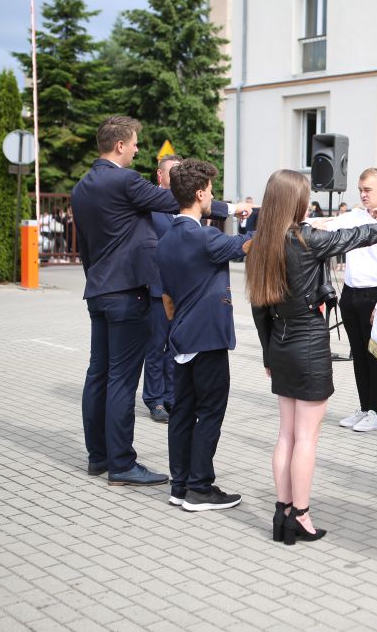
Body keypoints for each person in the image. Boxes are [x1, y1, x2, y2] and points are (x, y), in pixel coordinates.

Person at [71, 115, 249, 486]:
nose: (137, 150)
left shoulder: (81, 187)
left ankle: (98, 456)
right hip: (127, 293)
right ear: (120, 145)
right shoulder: (125, 180)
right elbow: (175, 200)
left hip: (99, 291)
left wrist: (97, 280)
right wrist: (231, 209)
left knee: (97, 374)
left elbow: (85, 247)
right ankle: (122, 463)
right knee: (122, 379)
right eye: (135, 143)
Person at [247, 169, 377, 545]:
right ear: (296, 202)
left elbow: (259, 311)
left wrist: (268, 354)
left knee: (286, 435)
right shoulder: (306, 239)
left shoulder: (261, 243)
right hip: (308, 342)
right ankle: (300, 515)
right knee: (306, 438)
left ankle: (282, 512)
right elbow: (360, 235)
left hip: (280, 343)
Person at [156, 159, 252, 511]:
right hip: (208, 338)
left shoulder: (166, 239)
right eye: (210, 190)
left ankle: (179, 484)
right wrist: (277, 223)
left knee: (182, 412)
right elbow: (246, 245)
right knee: (210, 411)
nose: (212, 196)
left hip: (181, 338)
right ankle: (200, 487)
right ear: (199, 194)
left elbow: (167, 297)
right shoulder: (205, 237)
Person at [326, 168, 377, 433]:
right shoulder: (355, 216)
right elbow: (327, 225)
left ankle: (376, 412)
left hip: (374, 295)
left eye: (368, 190)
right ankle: (364, 407)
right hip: (351, 294)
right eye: (360, 190)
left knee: (374, 356)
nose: (363, 195)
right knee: (357, 354)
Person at [142, 153, 184, 424]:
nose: (178, 177)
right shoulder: (150, 204)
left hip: (182, 288)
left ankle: (171, 396)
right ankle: (154, 399)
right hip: (157, 287)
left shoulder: (185, 204)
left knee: (176, 346)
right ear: (160, 175)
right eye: (173, 172)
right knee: (157, 346)